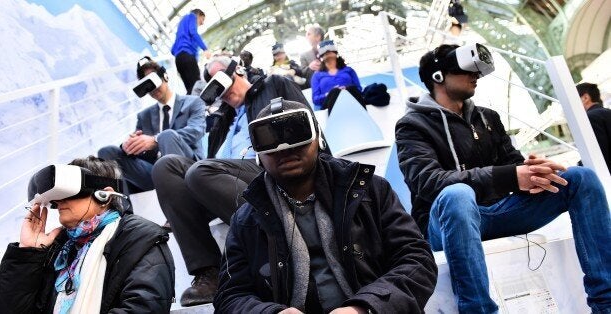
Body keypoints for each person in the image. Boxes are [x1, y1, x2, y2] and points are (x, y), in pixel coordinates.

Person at [395, 44, 611, 313]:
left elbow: (511, 163)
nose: (475, 75)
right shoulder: (412, 126)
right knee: (457, 195)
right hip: (448, 223)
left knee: (581, 178)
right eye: (465, 69)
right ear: (438, 76)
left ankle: (606, 304)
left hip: (497, 212)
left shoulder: (487, 117)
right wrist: (509, 176)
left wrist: (532, 172)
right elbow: (428, 183)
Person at [214, 99, 438, 313]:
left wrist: (366, 307)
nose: (284, 147)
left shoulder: (370, 191)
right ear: (258, 154)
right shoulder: (246, 220)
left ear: (318, 137)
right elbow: (229, 295)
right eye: (269, 138)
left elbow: (417, 260)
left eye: (296, 132)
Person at [150, 56, 312, 307]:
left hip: (272, 173)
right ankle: (210, 272)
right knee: (167, 167)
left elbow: (307, 131)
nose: (220, 91)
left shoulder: (273, 86)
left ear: (237, 70)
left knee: (199, 172)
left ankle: (280, 232)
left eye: (218, 79)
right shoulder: (222, 121)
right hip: (227, 181)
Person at [0, 156, 175, 313]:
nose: (59, 201)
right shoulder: (57, 250)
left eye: (69, 192)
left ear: (105, 195)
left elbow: (144, 309)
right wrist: (28, 254)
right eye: (56, 197)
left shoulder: (140, 240)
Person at [97, 57, 206, 193]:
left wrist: (156, 139)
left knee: (167, 136)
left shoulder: (193, 102)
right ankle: (123, 209)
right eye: (146, 85)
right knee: (106, 152)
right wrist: (129, 146)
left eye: (153, 81)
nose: (152, 89)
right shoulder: (144, 116)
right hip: (154, 172)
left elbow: (196, 131)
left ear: (165, 77)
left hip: (188, 167)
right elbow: (141, 151)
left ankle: (183, 196)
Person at [311, 40, 365, 111]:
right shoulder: (317, 75)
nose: (327, 51)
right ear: (321, 56)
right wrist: (330, 94)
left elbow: (358, 89)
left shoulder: (349, 70)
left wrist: (346, 91)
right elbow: (315, 99)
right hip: (330, 108)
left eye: (330, 50)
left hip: (351, 102)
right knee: (334, 92)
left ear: (336, 53)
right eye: (324, 51)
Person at [171, 8, 213, 95]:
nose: (202, 23)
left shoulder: (181, 27)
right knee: (198, 87)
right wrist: (205, 48)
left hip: (178, 60)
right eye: (202, 19)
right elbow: (193, 32)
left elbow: (172, 50)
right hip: (187, 56)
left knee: (190, 89)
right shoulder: (191, 16)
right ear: (198, 15)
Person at [576, 82, 611, 173]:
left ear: (585, 98)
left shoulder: (589, 117)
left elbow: (597, 153)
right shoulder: (607, 112)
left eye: (574, 99)